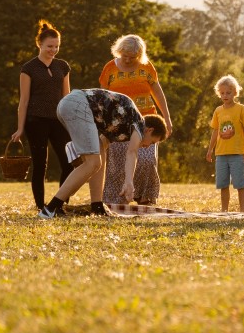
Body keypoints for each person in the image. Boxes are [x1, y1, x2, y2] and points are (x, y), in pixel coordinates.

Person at [38, 88, 168, 218]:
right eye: (152, 142)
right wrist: (129, 182)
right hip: (78, 105)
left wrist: (82, 176)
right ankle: (51, 209)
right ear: (149, 130)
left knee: (97, 159)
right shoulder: (139, 123)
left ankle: (97, 206)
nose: (147, 146)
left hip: (68, 104)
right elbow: (132, 152)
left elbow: (102, 146)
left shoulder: (125, 123)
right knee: (93, 163)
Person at [98, 34, 173, 206]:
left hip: (146, 121)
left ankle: (145, 197)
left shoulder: (146, 67)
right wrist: (103, 125)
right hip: (118, 124)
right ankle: (115, 200)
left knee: (147, 161)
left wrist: (167, 118)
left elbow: (157, 92)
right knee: (118, 164)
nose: (128, 60)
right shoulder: (110, 68)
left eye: (132, 57)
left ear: (139, 55)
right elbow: (103, 97)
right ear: (119, 51)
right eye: (125, 56)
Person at [11, 20, 73, 212]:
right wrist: (20, 128)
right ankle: (41, 206)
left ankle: (59, 204)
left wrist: (71, 123)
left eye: (56, 46)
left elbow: (67, 97)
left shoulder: (62, 66)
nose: (53, 50)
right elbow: (23, 101)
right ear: (39, 44)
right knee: (40, 165)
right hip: (35, 121)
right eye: (49, 46)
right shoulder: (28, 68)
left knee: (69, 163)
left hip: (58, 120)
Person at [204, 75, 244, 212]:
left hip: (237, 153)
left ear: (235, 93)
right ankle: (224, 211)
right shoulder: (218, 111)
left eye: (228, 93)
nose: (225, 96)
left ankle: (242, 211)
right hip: (221, 154)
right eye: (222, 93)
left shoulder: (241, 109)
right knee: (223, 185)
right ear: (219, 94)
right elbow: (215, 131)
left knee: (239, 184)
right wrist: (210, 149)